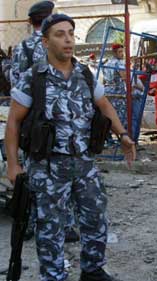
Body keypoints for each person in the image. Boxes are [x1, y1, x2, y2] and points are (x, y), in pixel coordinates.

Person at [5, 14, 136, 281]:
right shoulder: (34, 78)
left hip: (84, 164)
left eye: (71, 34)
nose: (67, 40)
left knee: (95, 219)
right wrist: (13, 165)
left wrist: (124, 135)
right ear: (46, 40)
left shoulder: (85, 74)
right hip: (47, 168)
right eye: (60, 34)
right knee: (51, 228)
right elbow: (13, 122)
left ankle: (92, 272)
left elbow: (104, 106)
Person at [11, 0, 78, 242]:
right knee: (66, 171)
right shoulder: (63, 43)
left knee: (34, 174)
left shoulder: (24, 48)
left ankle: (30, 223)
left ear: (31, 22)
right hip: (64, 121)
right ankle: (68, 225)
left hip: (36, 124)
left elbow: (17, 83)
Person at [10, 1, 54, 88]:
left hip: (31, 98)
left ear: (30, 21)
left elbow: (15, 80)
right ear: (51, 19)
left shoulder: (21, 47)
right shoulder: (59, 43)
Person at [103, 43, 127, 130]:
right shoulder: (118, 63)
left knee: (109, 115)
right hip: (118, 92)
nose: (122, 54)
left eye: (122, 51)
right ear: (115, 53)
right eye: (120, 52)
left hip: (108, 91)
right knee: (120, 116)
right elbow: (124, 77)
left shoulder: (108, 62)